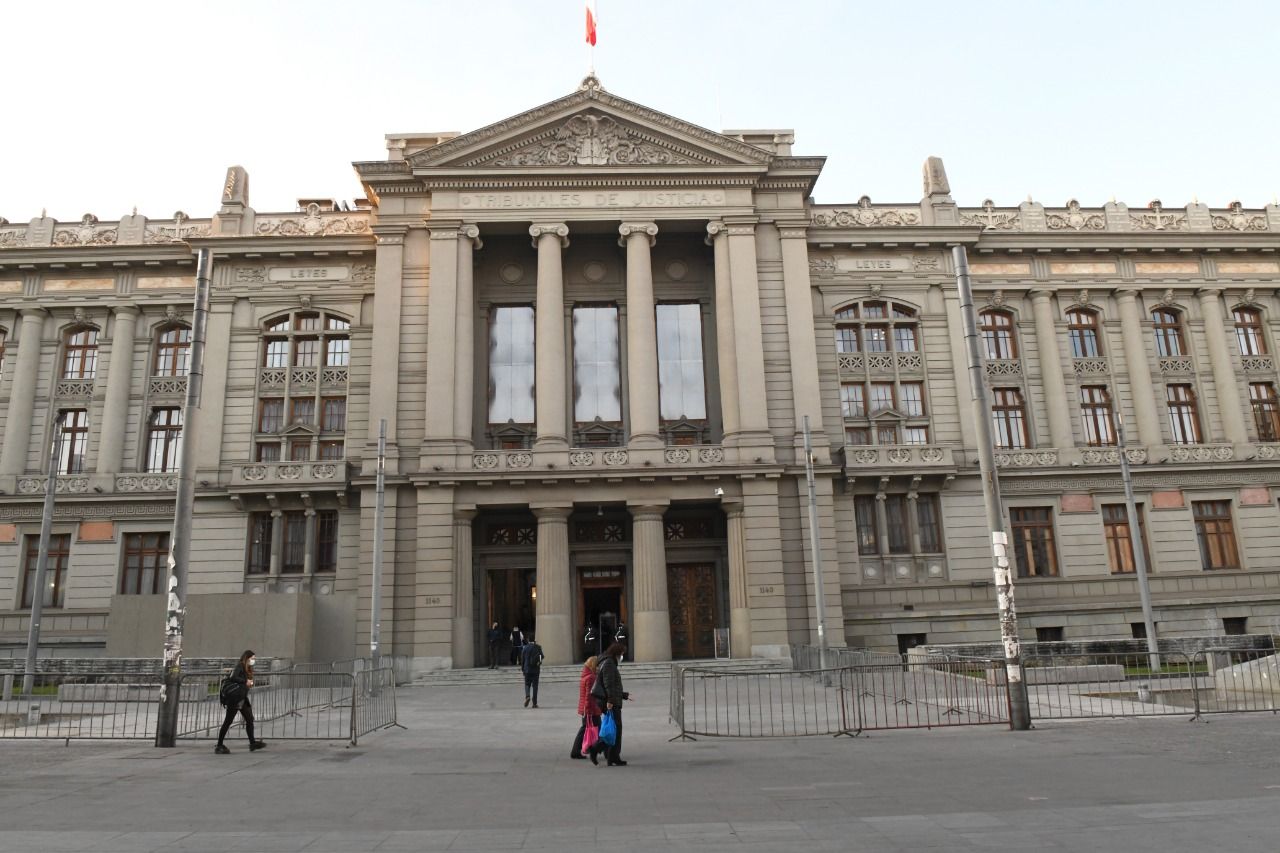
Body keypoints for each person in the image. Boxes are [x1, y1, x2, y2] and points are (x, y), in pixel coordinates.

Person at [215, 649, 266, 754]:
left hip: (242, 698)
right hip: (235, 699)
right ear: (246, 658)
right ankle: (219, 745)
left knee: (249, 719)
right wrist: (245, 681)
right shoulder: (240, 666)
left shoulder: (248, 668)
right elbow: (233, 677)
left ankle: (252, 743)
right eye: (252, 658)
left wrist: (248, 683)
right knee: (228, 721)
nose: (253, 660)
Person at [587, 642, 630, 766]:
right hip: (610, 702)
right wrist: (611, 700)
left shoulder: (607, 662)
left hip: (611, 700)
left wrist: (622, 695)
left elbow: (611, 685)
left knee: (614, 729)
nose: (622, 656)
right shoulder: (609, 664)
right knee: (614, 730)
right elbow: (608, 684)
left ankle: (613, 756)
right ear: (617, 653)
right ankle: (596, 749)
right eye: (621, 653)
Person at [570, 655, 601, 759]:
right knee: (597, 729)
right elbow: (589, 695)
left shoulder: (585, 675)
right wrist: (588, 709)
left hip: (586, 707)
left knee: (586, 729)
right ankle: (594, 750)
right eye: (597, 664)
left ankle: (579, 750)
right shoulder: (591, 677)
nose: (598, 666)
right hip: (590, 708)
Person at [521, 632, 544, 708]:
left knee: (527, 684)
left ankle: (527, 696)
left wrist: (523, 669)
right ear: (534, 639)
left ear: (528, 639)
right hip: (536, 670)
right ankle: (534, 703)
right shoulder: (538, 647)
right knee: (535, 686)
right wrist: (539, 662)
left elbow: (523, 660)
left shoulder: (525, 648)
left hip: (527, 669)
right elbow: (541, 656)